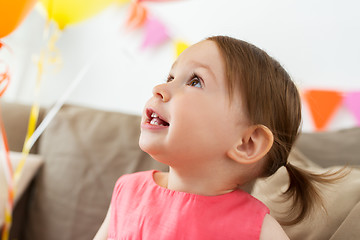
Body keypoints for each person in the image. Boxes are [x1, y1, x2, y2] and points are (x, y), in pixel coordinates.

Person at [94, 35, 338, 240]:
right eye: (170, 77)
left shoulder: (256, 229)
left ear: (247, 143)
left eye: (195, 81)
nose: (159, 88)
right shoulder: (127, 192)